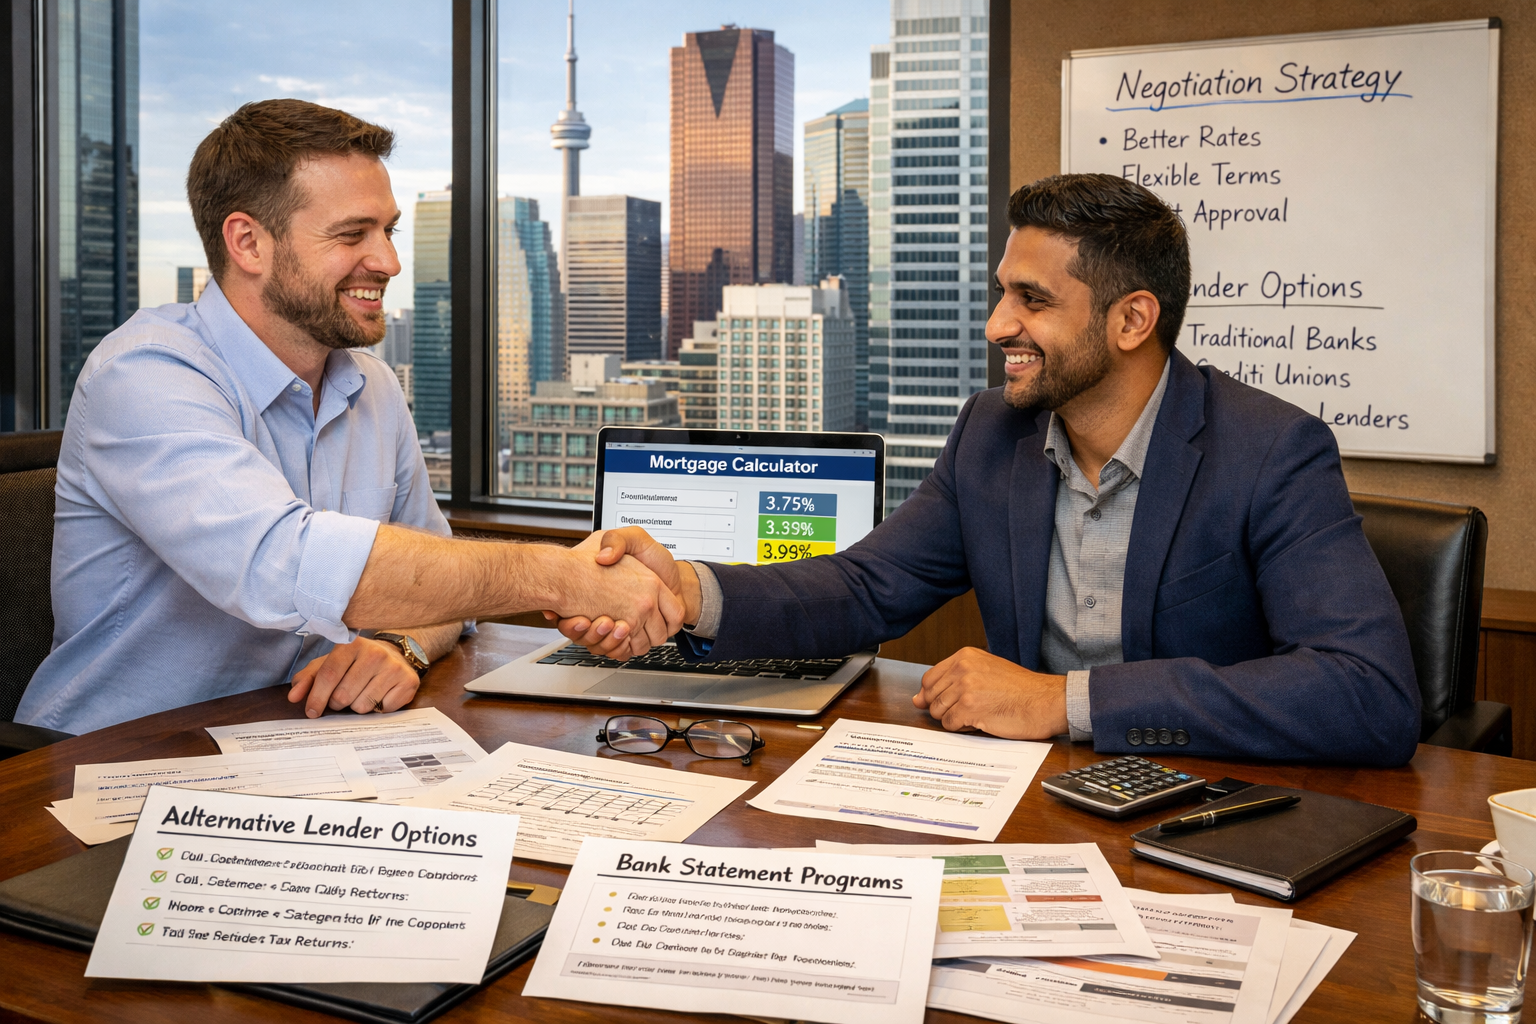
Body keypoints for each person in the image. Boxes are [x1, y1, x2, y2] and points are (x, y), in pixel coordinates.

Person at [558, 173, 1422, 767]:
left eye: (1033, 301)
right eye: (1001, 293)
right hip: (1025, 803)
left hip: (1204, 814)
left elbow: (1367, 692)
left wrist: (1065, 702)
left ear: (1132, 320)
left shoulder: (1270, 451)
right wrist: (689, 591)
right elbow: (865, 589)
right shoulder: (991, 435)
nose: (997, 326)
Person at [17, 99, 679, 736]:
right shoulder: (144, 375)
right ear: (248, 242)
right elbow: (289, 564)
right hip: (107, 766)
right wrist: (563, 578)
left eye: (387, 230)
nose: (388, 262)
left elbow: (443, 592)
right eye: (352, 234)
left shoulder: (373, 386)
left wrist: (400, 646)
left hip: (293, 751)